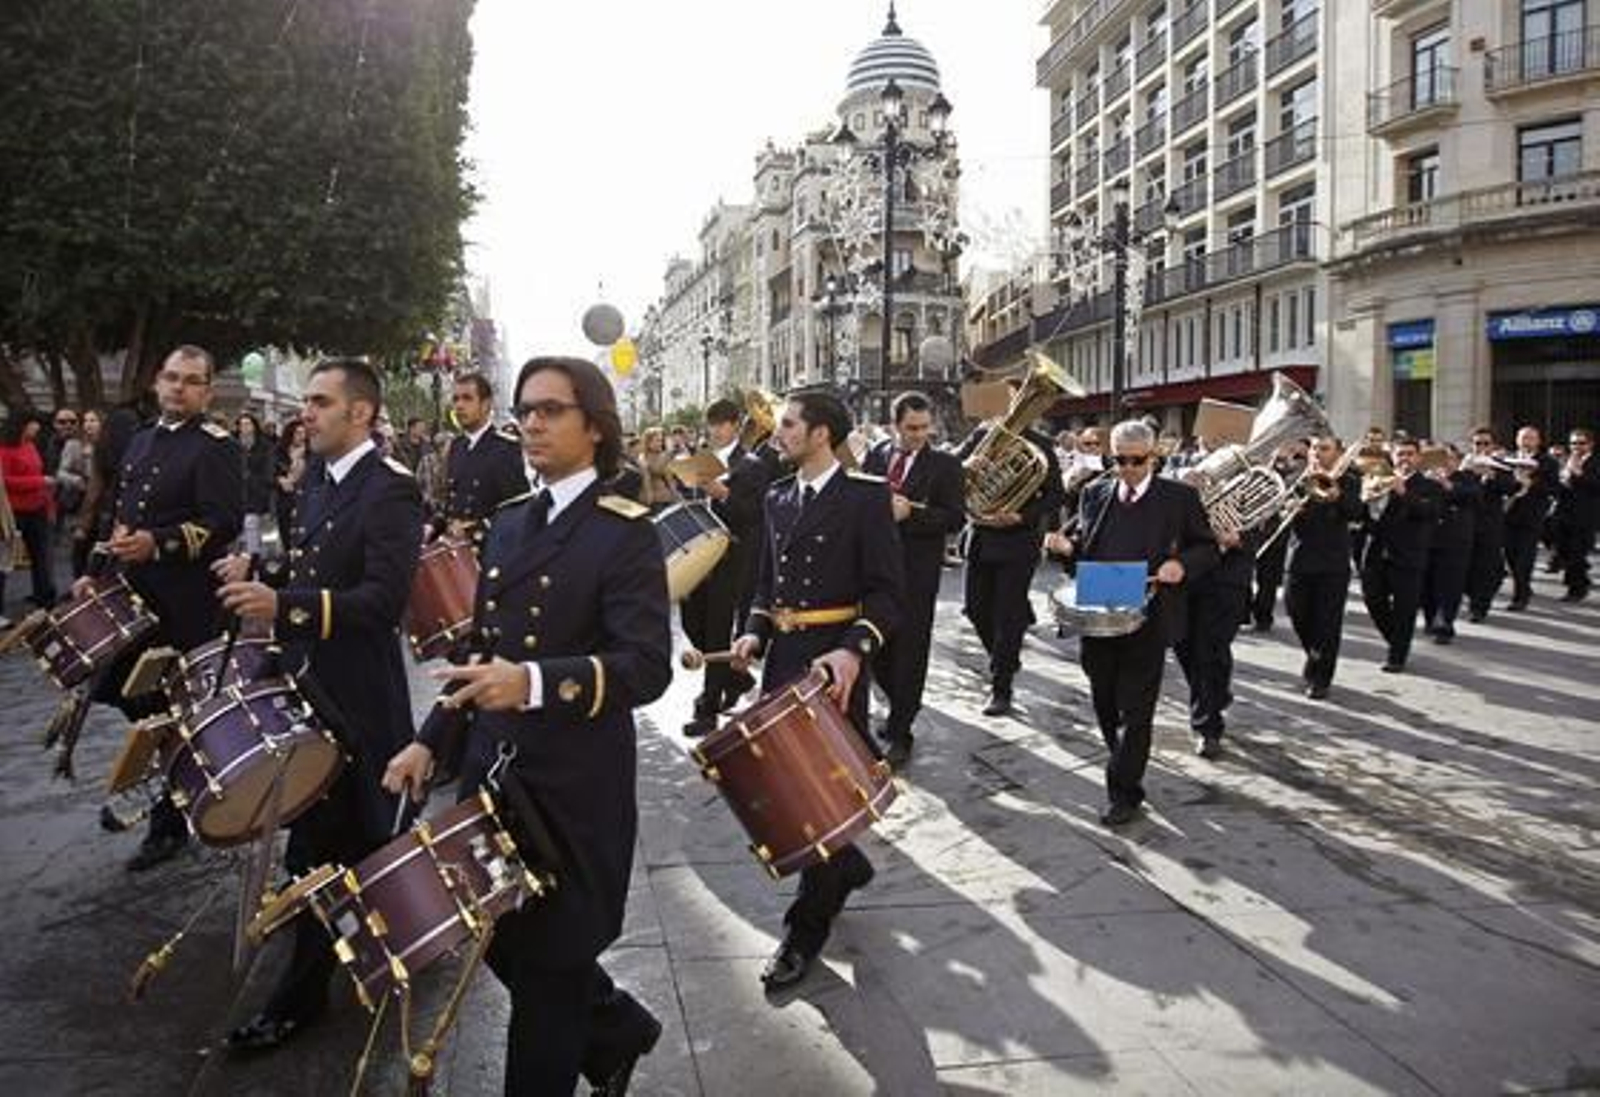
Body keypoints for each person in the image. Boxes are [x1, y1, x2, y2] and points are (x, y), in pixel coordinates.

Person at [386, 355, 671, 1096]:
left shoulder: (625, 531)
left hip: (573, 789)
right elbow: (480, 652)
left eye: (550, 409)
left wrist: (536, 681)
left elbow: (647, 667)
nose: (532, 423)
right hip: (493, 774)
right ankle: (616, 1031)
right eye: (526, 410)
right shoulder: (511, 523)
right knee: (505, 945)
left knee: (548, 973)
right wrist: (429, 738)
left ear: (595, 427)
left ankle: (584, 1045)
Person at [217, 357, 423, 1052]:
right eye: (307, 399)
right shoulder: (315, 481)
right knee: (328, 842)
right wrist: (263, 572)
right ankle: (339, 969)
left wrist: (285, 604)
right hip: (310, 687)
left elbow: (382, 601)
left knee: (346, 841)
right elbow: (311, 565)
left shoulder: (391, 490)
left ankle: (302, 996)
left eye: (320, 400)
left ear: (360, 412)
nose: (306, 411)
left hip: (360, 699)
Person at [729, 389, 904, 989]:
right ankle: (849, 864)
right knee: (782, 789)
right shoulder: (777, 496)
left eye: (789, 425)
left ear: (822, 433)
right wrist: (753, 633)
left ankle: (804, 933)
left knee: (816, 802)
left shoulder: (864, 497)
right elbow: (764, 584)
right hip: (782, 662)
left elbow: (886, 594)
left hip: (835, 668)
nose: (778, 434)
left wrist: (854, 649)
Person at [78, 346, 243, 870]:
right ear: (156, 382)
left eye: (192, 381)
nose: (179, 388)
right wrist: (95, 569)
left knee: (171, 712)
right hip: (131, 595)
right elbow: (119, 511)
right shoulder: (141, 439)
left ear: (207, 391)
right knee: (128, 699)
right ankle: (163, 787)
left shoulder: (214, 446)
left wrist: (161, 542)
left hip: (183, 604)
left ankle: (167, 821)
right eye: (172, 378)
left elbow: (224, 521)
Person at [1045, 419, 1217, 827]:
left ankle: (1124, 791)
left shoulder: (1178, 497)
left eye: (1135, 461)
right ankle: (1124, 762)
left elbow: (1206, 548)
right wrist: (1064, 548)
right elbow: (1083, 551)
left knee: (1136, 710)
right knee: (1105, 703)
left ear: (1154, 457)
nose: (1125, 468)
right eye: (1118, 459)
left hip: (1150, 615)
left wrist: (1181, 564)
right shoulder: (1095, 492)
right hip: (1099, 609)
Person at [861, 391, 963, 768]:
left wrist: (912, 513)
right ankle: (899, 705)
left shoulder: (946, 465)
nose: (919, 434)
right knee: (876, 650)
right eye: (911, 428)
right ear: (894, 425)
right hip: (875, 571)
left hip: (917, 573)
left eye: (924, 427)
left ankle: (902, 728)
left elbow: (955, 518)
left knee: (911, 652)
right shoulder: (877, 454)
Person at [956, 389, 1064, 716]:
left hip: (1018, 540)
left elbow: (1056, 494)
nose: (1018, 409)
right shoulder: (981, 436)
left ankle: (1001, 686)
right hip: (981, 536)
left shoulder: (1041, 445)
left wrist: (1023, 515)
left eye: (1027, 402)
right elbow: (951, 475)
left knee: (1008, 614)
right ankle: (1003, 659)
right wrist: (966, 466)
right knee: (976, 609)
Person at [679, 399, 765, 736]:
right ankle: (736, 675)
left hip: (730, 557)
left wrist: (722, 493)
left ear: (735, 424)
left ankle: (707, 708)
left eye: (721, 424)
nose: (715, 430)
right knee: (690, 621)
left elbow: (753, 514)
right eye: (711, 423)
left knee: (716, 629)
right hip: (698, 554)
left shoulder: (752, 465)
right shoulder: (703, 458)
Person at [1283, 436, 1363, 699]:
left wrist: (1338, 496)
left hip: (1333, 562)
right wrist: (1288, 510)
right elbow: (1280, 510)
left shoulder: (1350, 479)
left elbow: (1356, 513)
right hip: (1300, 558)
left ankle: (1321, 678)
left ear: (1339, 453)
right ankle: (1314, 654)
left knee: (1327, 624)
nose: (1317, 453)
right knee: (1297, 614)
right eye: (1315, 448)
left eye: (1324, 449)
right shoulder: (1297, 476)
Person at [1359, 438, 1444, 672]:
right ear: (1392, 457)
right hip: (1376, 553)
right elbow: (1367, 519)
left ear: (1418, 458)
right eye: (1400, 454)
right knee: (1372, 599)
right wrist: (1368, 501)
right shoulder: (1376, 480)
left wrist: (1403, 492)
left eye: (1409, 454)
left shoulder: (1430, 486)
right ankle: (1397, 640)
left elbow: (1430, 512)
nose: (1404, 459)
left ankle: (1397, 656)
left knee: (1405, 609)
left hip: (1409, 556)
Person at [443, 372, 526, 535]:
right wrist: (433, 525)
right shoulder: (456, 446)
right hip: (456, 548)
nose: (459, 406)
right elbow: (451, 501)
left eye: (467, 398)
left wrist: (475, 528)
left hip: (487, 548)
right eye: (456, 399)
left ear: (486, 404)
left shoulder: (505, 448)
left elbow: (518, 509)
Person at [0, 411, 59, 612]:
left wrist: (48, 505)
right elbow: (5, 482)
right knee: (4, 561)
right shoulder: (5, 449)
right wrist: (39, 481)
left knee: (43, 557)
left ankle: (46, 602)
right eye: (34, 424)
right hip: (13, 514)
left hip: (38, 510)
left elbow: (37, 472)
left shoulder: (31, 445)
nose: (38, 428)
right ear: (23, 425)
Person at [1420, 445, 1479, 643]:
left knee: (1450, 585)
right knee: (1427, 584)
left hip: (1455, 540)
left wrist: (1447, 484)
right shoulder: (1426, 479)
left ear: (1457, 461)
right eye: (1442, 458)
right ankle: (1431, 619)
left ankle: (1445, 623)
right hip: (1428, 538)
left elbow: (1473, 497)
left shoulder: (1466, 477)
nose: (1446, 462)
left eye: (1451, 458)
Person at [1503, 425, 1559, 611]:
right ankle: (1524, 586)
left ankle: (1520, 597)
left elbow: (1553, 489)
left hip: (1532, 515)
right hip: (1508, 514)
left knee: (1524, 558)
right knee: (1511, 555)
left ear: (1538, 441)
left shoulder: (1548, 462)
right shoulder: (1506, 459)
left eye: (1531, 438)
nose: (1527, 441)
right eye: (1523, 438)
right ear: (1517, 440)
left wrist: (1532, 484)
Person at [1464, 427, 1515, 622]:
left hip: (1490, 523)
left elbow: (1511, 488)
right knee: (1466, 566)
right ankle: (1471, 594)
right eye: (1478, 443)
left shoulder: (1501, 465)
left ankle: (1480, 606)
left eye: (1486, 443)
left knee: (1487, 567)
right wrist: (1468, 472)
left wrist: (1492, 476)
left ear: (1492, 445)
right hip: (1467, 523)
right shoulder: (1466, 463)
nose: (1482, 447)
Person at [1555, 428, 1597, 602]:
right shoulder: (1567, 460)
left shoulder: (1596, 462)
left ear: (1590, 444)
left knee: (1576, 554)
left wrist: (1579, 473)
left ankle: (1576, 590)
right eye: (1573, 443)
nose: (1577, 447)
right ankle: (1582, 579)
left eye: (1581, 443)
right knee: (1563, 551)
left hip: (1586, 516)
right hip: (1564, 513)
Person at [235, 412, 276, 522]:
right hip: (237, 498)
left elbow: (269, 471)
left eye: (248, 424)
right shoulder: (232, 445)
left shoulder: (265, 446)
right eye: (241, 424)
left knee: (256, 534)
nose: (244, 427)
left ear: (254, 426)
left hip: (258, 496)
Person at [273, 420, 310, 537]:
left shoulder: (313, 452)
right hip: (285, 500)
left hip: (306, 499)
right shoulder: (279, 452)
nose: (301, 436)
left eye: (304, 433)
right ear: (290, 434)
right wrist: (279, 480)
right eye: (298, 433)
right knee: (286, 534)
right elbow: (268, 474)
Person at [635, 426, 679, 510]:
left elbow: (670, 479)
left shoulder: (664, 456)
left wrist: (676, 496)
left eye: (661, 440)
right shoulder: (642, 457)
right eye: (657, 440)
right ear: (648, 442)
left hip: (663, 497)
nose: (660, 444)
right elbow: (645, 481)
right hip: (646, 499)